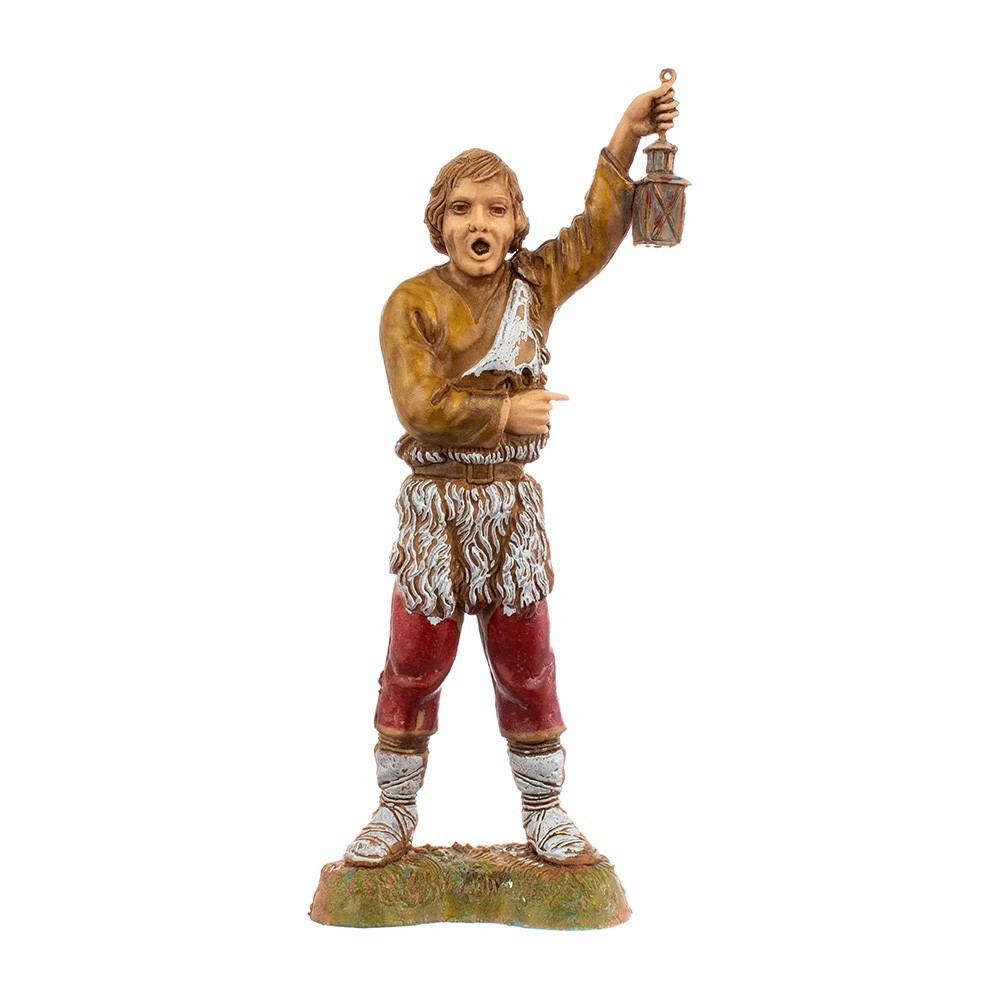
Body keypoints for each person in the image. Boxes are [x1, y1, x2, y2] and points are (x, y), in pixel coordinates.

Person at [344, 82, 678, 867]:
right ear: (440, 223)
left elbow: (597, 231)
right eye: (463, 209)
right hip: (437, 508)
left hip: (510, 511)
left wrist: (627, 136)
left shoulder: (535, 284)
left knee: (527, 663)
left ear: (516, 223)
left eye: (496, 210)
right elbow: (418, 403)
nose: (480, 224)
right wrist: (503, 414)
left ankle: (544, 809)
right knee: (415, 661)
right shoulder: (410, 304)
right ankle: (394, 809)